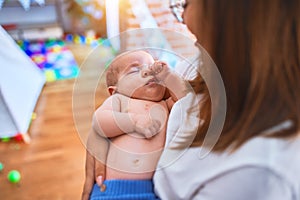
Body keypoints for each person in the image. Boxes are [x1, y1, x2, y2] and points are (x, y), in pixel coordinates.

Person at [83, 0, 300, 199]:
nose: (183, 18)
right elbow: (103, 121)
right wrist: (106, 132)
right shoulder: (201, 63)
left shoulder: (256, 172)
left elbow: (181, 97)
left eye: (186, 3)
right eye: (134, 70)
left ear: (227, 12)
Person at [83, 50, 186, 200]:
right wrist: (133, 121)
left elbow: (185, 100)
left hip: (153, 191)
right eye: (135, 70)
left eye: (152, 67)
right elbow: (99, 121)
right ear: (114, 90)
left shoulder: (165, 105)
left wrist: (168, 75)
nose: (147, 71)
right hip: (111, 190)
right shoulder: (119, 101)